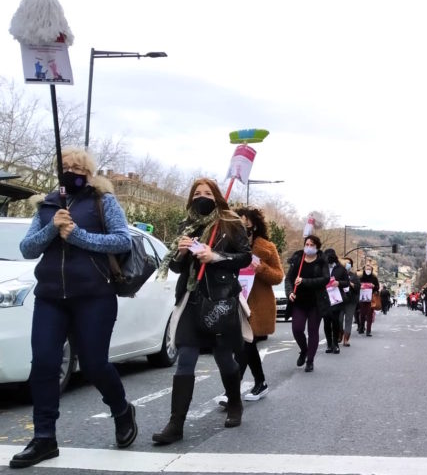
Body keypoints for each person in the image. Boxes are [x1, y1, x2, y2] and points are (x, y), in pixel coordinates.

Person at [13, 148, 136, 468]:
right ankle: (44, 438)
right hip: (50, 297)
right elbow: (27, 249)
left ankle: (122, 410)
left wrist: (78, 235)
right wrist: (52, 227)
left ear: (89, 173)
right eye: (66, 167)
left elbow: (123, 240)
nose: (72, 172)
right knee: (44, 364)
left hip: (94, 296)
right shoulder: (47, 205)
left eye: (79, 168)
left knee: (95, 365)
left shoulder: (103, 201)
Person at [152, 178, 251, 445]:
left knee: (224, 357)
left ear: (217, 196)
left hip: (219, 300)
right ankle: (176, 424)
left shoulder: (230, 223)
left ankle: (234, 403)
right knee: (185, 357)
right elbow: (176, 267)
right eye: (197, 193)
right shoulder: (187, 224)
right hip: (191, 298)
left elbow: (245, 257)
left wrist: (215, 257)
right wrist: (182, 253)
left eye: (207, 193)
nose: (202, 197)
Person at [235, 207, 284, 402]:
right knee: (245, 345)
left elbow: (278, 276)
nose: (242, 226)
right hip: (235, 300)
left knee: (246, 344)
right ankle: (260, 383)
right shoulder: (231, 245)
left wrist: (261, 268)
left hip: (257, 303)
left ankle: (233, 390)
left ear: (254, 225)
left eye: (245, 222)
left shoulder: (267, 247)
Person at [285, 235, 330, 372]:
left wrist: (305, 281)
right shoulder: (298, 259)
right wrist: (290, 292)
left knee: (313, 331)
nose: (309, 247)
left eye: (312, 245)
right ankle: (304, 350)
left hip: (316, 302)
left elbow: (325, 279)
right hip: (299, 301)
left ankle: (310, 360)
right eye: (307, 244)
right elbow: (288, 279)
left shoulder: (322, 261)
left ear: (317, 247)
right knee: (297, 329)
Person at [323, 248, 348, 354]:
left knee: (336, 321)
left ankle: (335, 344)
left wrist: (338, 283)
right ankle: (329, 344)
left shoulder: (341, 269)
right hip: (324, 298)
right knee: (326, 322)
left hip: (336, 299)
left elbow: (346, 282)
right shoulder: (321, 268)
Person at [340, 257, 360, 346]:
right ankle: (340, 333)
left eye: (348, 263)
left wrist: (350, 283)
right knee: (339, 319)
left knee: (348, 319)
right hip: (340, 300)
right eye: (345, 263)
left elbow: (358, 287)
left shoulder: (354, 276)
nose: (346, 264)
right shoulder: (338, 274)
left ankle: (346, 339)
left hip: (351, 301)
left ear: (351, 265)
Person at [358, 264, 380, 336]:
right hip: (362, 298)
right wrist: (360, 286)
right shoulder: (360, 277)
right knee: (362, 314)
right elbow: (357, 285)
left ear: (372, 270)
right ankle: (361, 328)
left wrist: (374, 286)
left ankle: (368, 331)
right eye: (367, 269)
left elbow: (377, 287)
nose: (368, 270)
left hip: (371, 298)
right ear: (364, 270)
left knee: (370, 314)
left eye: (369, 269)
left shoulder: (374, 278)